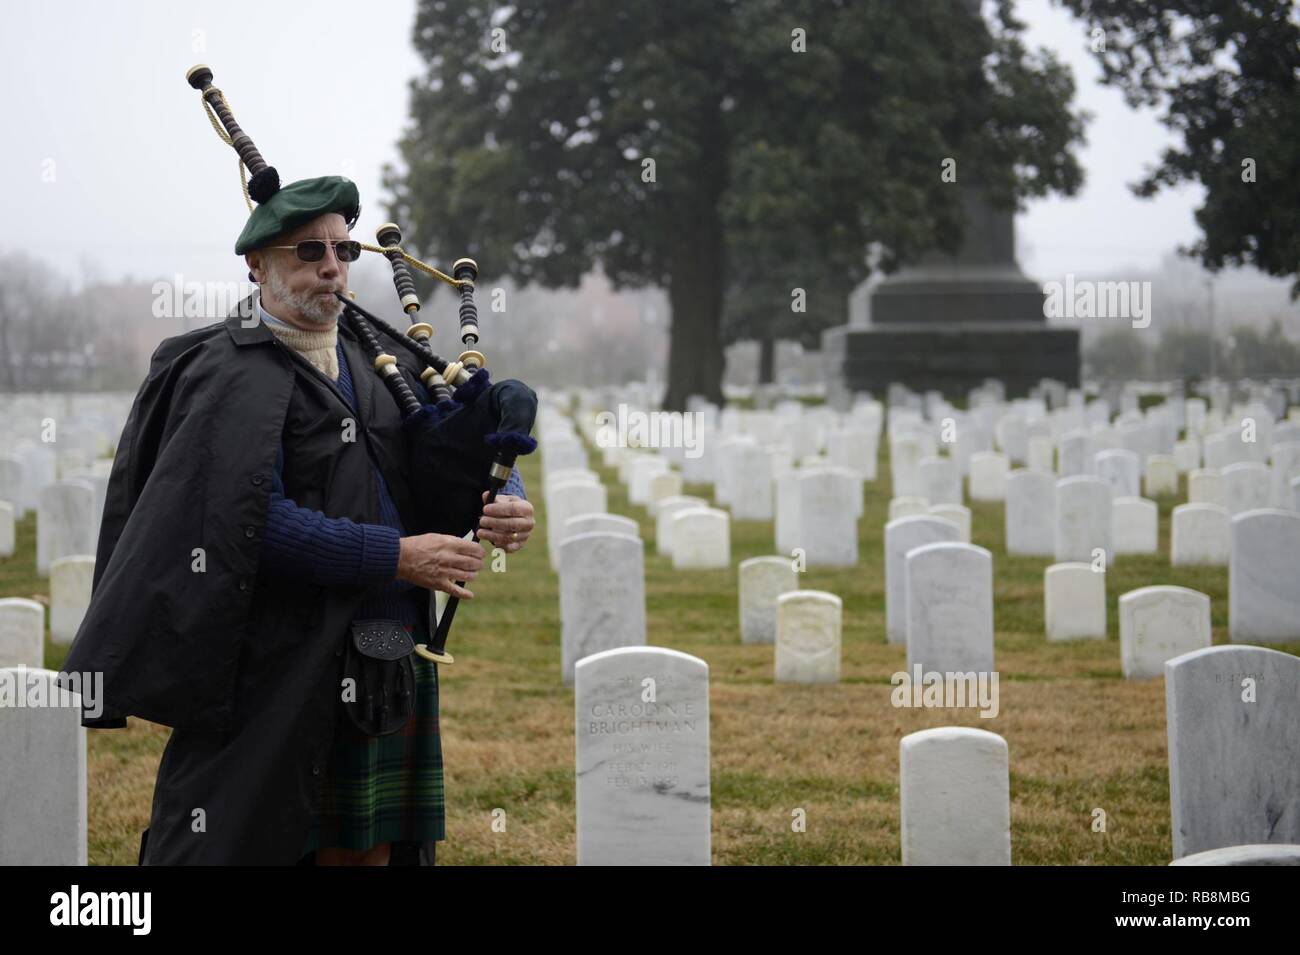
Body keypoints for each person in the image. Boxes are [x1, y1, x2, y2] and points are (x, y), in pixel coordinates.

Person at [63, 175, 535, 865]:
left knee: (374, 849)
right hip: (274, 660)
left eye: (344, 251)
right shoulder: (220, 369)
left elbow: (457, 445)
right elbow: (245, 521)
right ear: (257, 264)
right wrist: (397, 557)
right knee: (257, 841)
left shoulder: (380, 358)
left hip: (388, 648)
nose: (331, 268)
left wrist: (506, 495)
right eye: (308, 250)